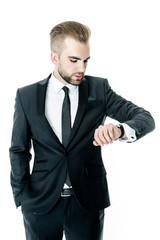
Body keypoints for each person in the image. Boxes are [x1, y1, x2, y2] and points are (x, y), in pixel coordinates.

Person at [9, 21, 155, 240]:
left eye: (86, 60)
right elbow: (19, 150)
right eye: (74, 60)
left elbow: (146, 118)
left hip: (87, 203)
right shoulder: (26, 96)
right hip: (40, 203)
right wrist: (21, 197)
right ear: (54, 58)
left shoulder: (99, 89)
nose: (82, 69)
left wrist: (119, 130)